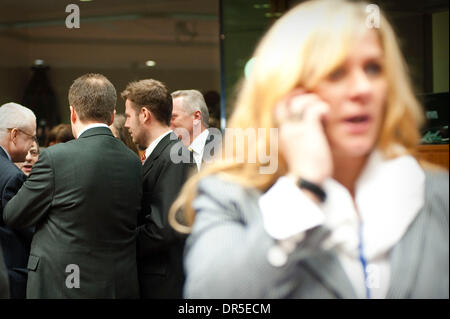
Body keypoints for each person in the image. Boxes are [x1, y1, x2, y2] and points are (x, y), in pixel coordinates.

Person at [170, 0, 449, 299]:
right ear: (287, 93)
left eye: (373, 68)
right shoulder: (231, 197)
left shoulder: (435, 193)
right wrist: (305, 188)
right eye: (335, 72)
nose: (363, 89)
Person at [3, 73, 142, 298]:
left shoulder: (55, 158)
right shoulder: (133, 162)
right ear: (112, 114)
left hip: (62, 286)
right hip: (117, 285)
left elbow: (14, 214)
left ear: (73, 113)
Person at [122, 79, 193, 299]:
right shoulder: (161, 153)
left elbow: (164, 226)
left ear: (144, 114)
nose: (125, 124)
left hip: (163, 284)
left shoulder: (175, 155)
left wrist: (117, 244)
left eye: (128, 116)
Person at [0, 102, 36, 299]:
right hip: (9, 274)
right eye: (31, 137)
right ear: (14, 135)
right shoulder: (12, 176)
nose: (32, 145)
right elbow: (28, 228)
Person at [171, 90, 220, 171]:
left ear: (196, 116)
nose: (167, 122)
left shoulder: (225, 149)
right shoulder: (171, 153)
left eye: (173, 117)